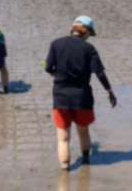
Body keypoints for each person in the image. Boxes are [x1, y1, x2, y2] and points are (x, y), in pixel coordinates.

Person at [45, 16, 117, 170]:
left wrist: (57, 76)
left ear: (73, 29)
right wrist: (109, 90)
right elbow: (100, 73)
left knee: (63, 138)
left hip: (60, 97)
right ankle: (85, 161)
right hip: (82, 98)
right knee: (83, 132)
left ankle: (65, 169)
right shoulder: (89, 49)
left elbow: (47, 67)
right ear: (87, 32)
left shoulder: (56, 44)